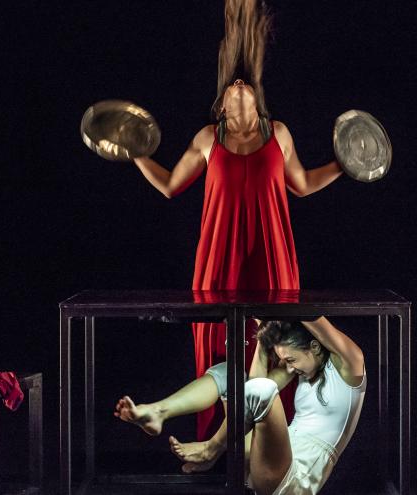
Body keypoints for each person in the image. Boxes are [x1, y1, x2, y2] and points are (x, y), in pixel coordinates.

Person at [131, 0, 344, 441]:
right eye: (233, 85)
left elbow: (300, 184)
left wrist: (346, 164)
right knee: (221, 346)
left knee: (275, 345)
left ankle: (266, 444)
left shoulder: (278, 132)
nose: (240, 82)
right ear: (223, 106)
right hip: (219, 259)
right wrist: (136, 155)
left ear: (255, 100)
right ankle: (222, 447)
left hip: (272, 259)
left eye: (245, 82)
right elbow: (171, 185)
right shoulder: (209, 137)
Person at [114, 316, 366, 495]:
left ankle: (211, 450)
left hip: (294, 480)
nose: (289, 367)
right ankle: (158, 411)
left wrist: (270, 306)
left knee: (262, 390)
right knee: (233, 376)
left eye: (291, 359)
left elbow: (313, 318)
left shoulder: (351, 365)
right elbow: (250, 390)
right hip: (267, 459)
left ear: (314, 346)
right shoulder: (301, 367)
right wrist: (264, 340)